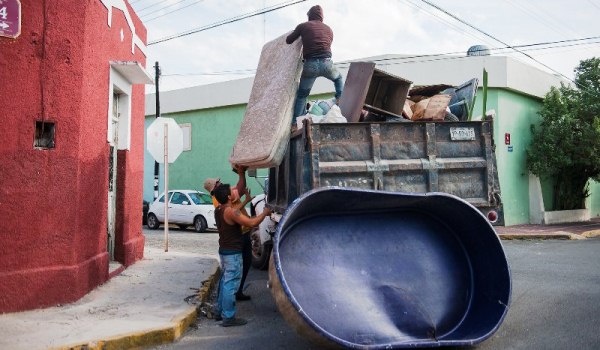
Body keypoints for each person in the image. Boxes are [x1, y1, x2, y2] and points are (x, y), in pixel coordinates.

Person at [212, 183, 271, 327]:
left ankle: (219, 312)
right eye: (231, 191)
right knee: (230, 284)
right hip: (233, 253)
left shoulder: (219, 210)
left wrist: (245, 201)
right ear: (228, 197)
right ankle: (229, 317)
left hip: (224, 251)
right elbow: (251, 223)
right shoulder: (231, 212)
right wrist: (264, 213)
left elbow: (234, 211)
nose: (234, 191)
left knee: (225, 281)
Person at [286, 5, 344, 127]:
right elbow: (328, 43)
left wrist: (298, 33)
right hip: (326, 63)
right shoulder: (329, 29)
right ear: (321, 16)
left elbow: (289, 40)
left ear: (309, 16)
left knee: (302, 95)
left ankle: (296, 123)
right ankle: (340, 98)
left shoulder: (303, 26)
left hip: (310, 65)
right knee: (338, 78)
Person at [204, 165, 254, 301]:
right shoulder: (224, 197)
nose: (220, 183)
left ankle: (232, 296)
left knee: (234, 271)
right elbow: (242, 188)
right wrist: (241, 173)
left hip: (235, 237)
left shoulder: (219, 200)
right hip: (238, 235)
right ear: (214, 188)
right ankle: (228, 308)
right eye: (218, 183)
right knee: (233, 272)